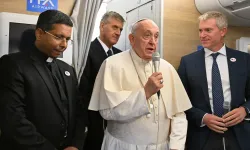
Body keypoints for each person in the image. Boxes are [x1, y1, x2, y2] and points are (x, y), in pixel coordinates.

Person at [88, 18, 192, 150]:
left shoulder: (167, 68)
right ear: (132, 39)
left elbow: (179, 114)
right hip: (123, 146)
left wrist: (176, 146)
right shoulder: (112, 64)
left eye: (156, 36)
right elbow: (107, 112)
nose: (153, 42)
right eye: (147, 35)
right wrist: (145, 93)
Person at [0, 10, 85, 150]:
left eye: (68, 39)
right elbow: (13, 120)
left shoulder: (67, 69)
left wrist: (75, 144)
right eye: (59, 37)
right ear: (39, 33)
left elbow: (79, 111)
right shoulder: (13, 64)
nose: (64, 44)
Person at [178, 11, 250, 150]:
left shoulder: (243, 60)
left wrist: (244, 110)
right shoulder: (188, 62)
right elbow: (181, 101)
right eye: (200, 30)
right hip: (202, 136)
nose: (202, 35)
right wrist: (203, 117)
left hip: (239, 135)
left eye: (208, 30)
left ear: (223, 31)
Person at [78, 11, 124, 150]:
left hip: (117, 120)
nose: (118, 32)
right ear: (102, 26)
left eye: (120, 29)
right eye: (114, 27)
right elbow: (83, 91)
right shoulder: (87, 51)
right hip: (94, 120)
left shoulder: (120, 55)